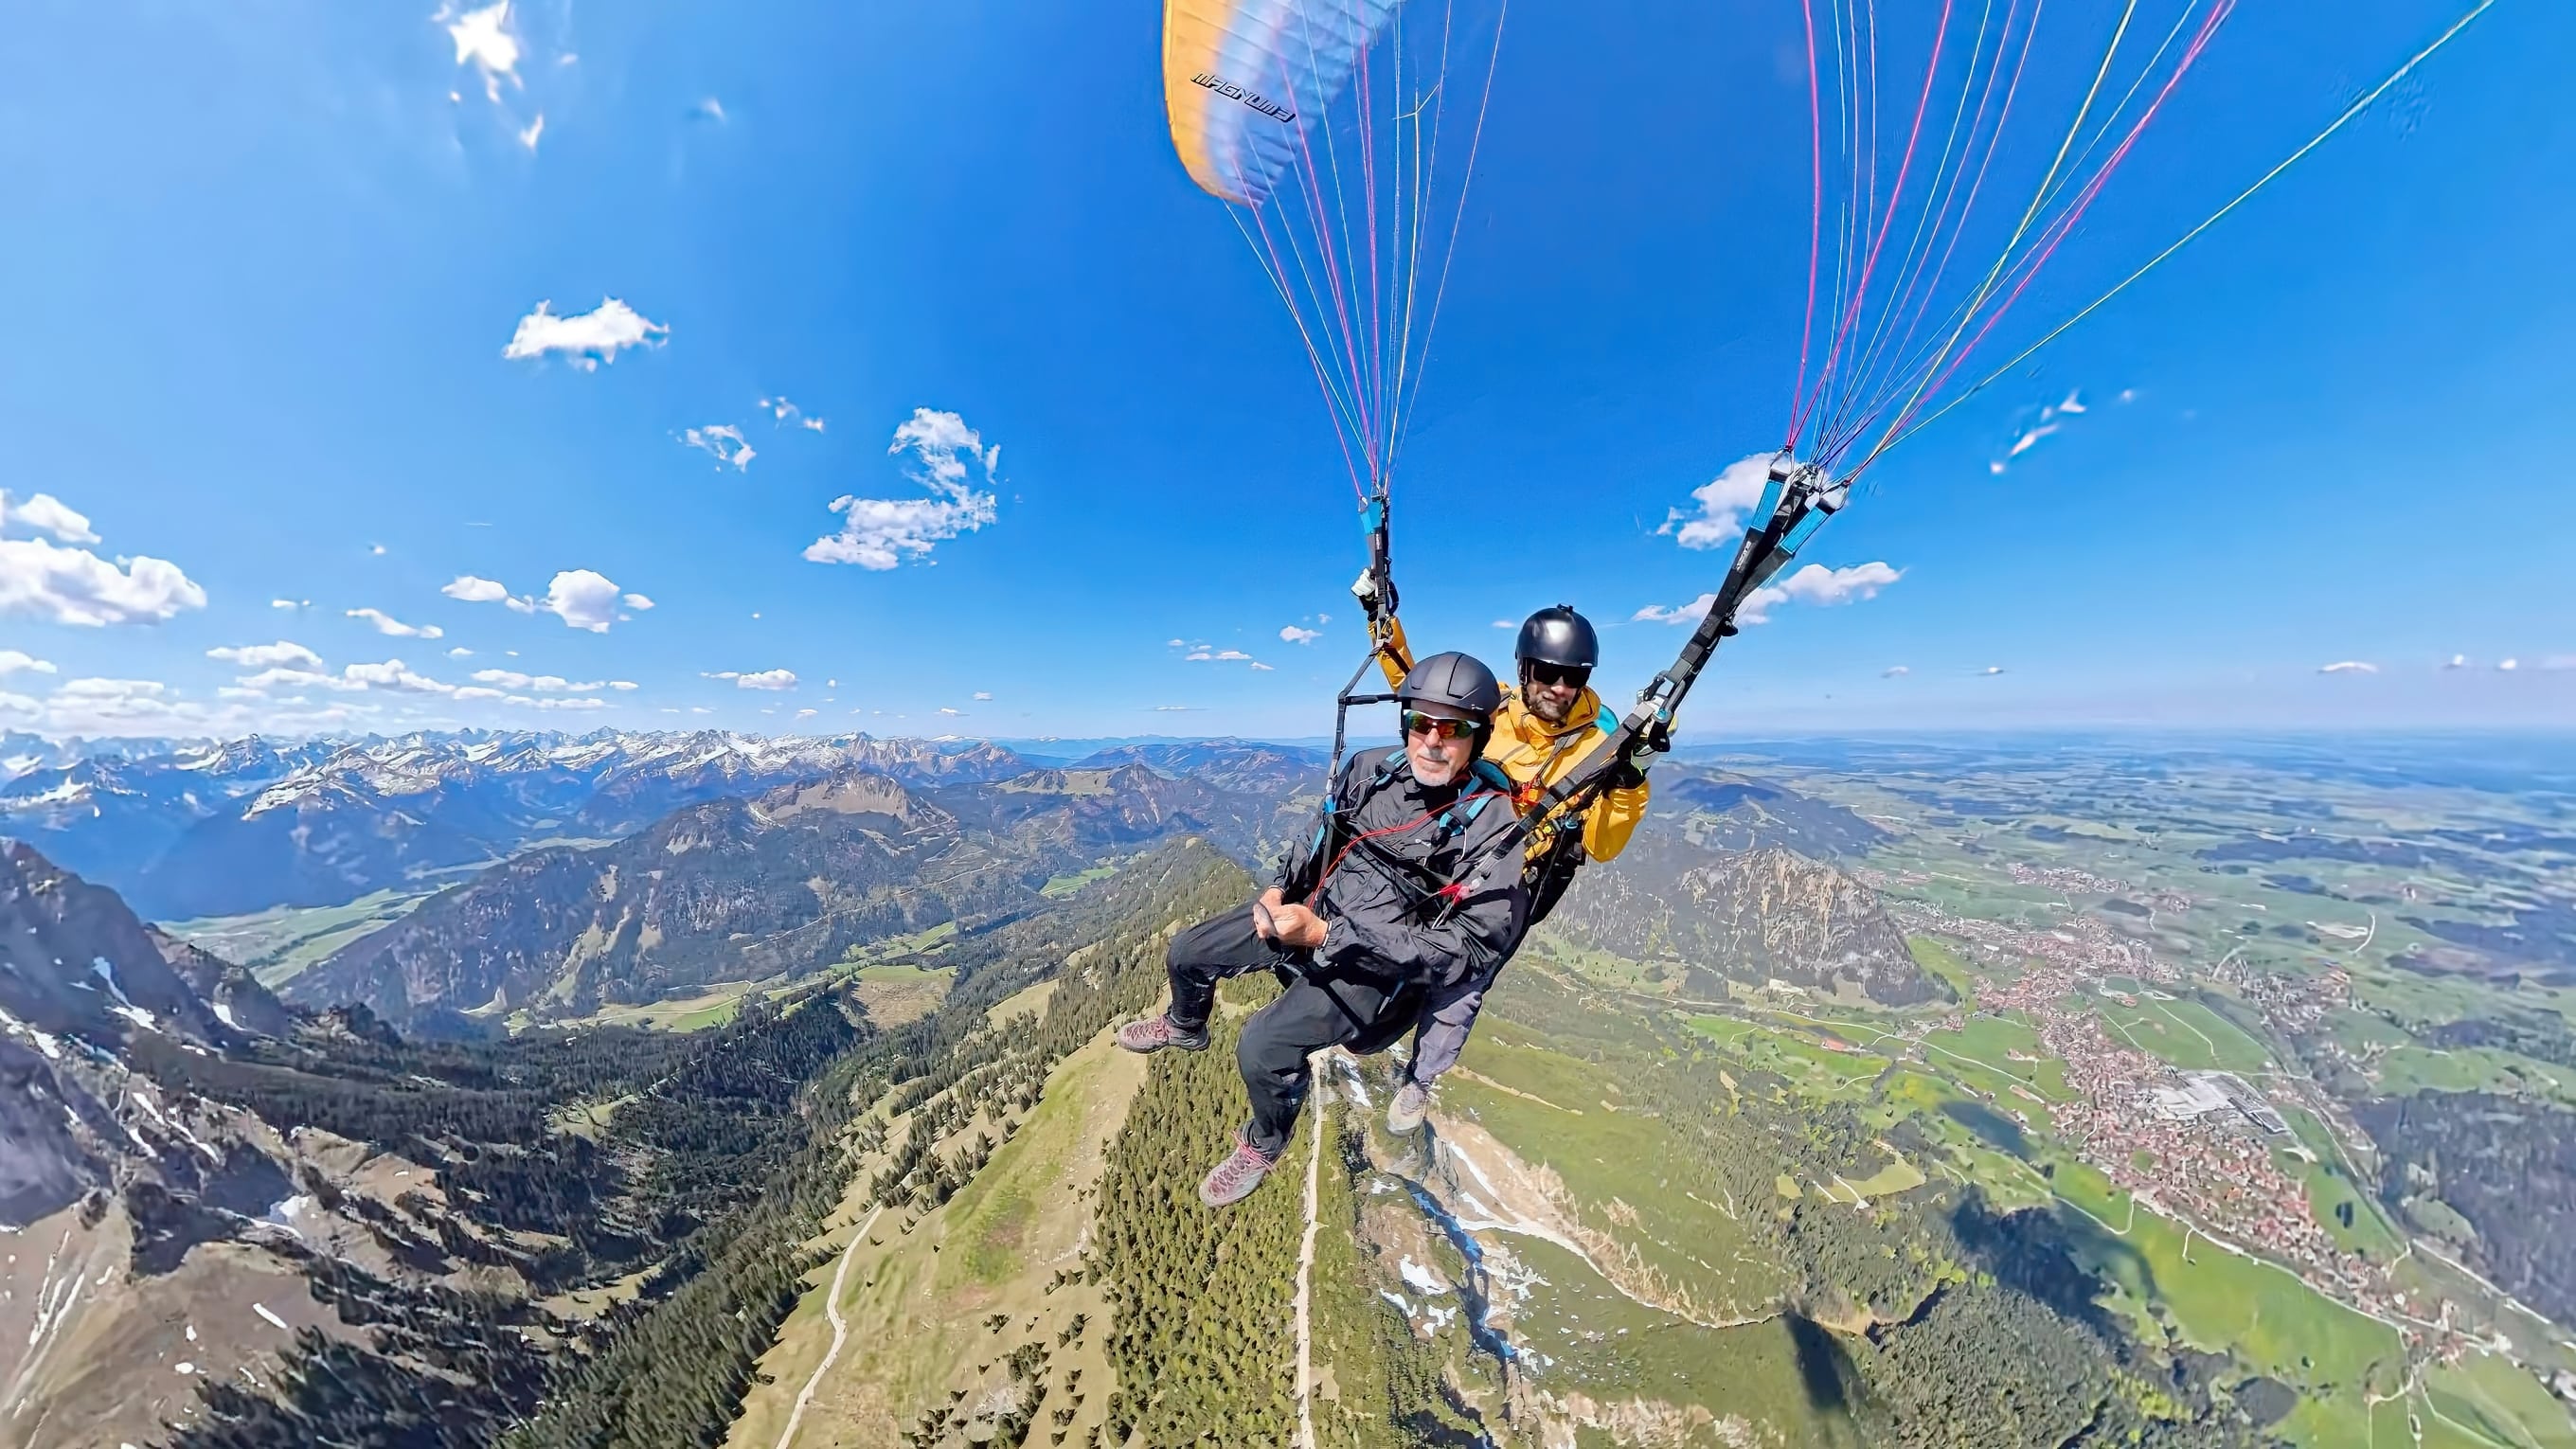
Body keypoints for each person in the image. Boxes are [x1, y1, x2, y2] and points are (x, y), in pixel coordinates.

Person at [1115, 652, 1530, 1208]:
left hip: (1376, 963)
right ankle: (1185, 1025)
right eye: (1419, 723)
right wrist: (1277, 889)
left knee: (1262, 1046)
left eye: (1452, 728)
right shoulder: (1372, 769)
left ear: (1476, 739)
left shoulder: (1494, 828)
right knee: (1188, 952)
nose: (1432, 740)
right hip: (1311, 907)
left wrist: (1329, 937)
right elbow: (1320, 831)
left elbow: (1467, 950)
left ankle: (1265, 1141)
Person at [1360, 593, 1656, 1134]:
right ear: (1524, 669)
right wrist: (1381, 620)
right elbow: (1423, 690)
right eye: (1548, 672)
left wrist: (1629, 778)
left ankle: (1421, 1078)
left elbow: (1605, 845)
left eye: (1574, 676)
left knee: (1469, 974)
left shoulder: (1602, 745)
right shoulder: (1491, 708)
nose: (1561, 688)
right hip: (1452, 848)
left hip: (1518, 873)